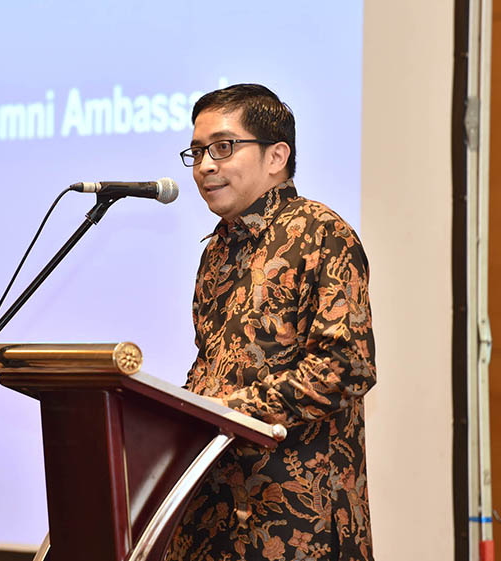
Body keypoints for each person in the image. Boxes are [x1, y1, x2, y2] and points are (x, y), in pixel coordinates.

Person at [167, 84, 376, 561]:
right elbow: (214, 368)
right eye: (197, 152)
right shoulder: (216, 251)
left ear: (276, 155)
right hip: (211, 519)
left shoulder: (321, 233)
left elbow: (347, 367)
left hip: (294, 522)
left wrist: (230, 409)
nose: (204, 166)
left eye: (222, 148)